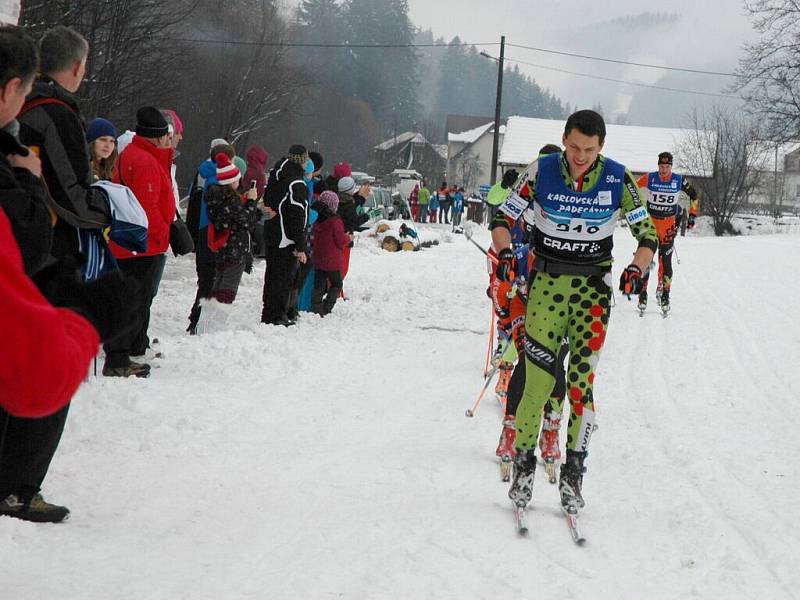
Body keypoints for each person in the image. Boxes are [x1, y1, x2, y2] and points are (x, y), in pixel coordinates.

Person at [490, 110, 658, 514]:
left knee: (581, 387)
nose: (581, 156)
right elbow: (502, 217)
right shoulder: (541, 170)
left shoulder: (618, 178)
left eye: (590, 149)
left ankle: (573, 478)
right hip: (546, 289)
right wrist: (506, 251)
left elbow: (647, 233)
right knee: (536, 385)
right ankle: (525, 471)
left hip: (592, 296)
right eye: (575, 146)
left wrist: (637, 266)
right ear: (564, 139)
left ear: (601, 147)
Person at [105, 106, 175, 376]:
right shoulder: (144, 160)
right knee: (133, 300)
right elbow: (148, 208)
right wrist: (164, 234)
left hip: (136, 243)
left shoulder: (139, 155)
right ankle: (119, 357)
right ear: (158, 137)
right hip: (142, 244)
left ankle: (132, 346)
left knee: (137, 298)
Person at [635, 151, 698, 312]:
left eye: (667, 167)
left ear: (671, 166)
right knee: (646, 261)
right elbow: (632, 188)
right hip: (650, 227)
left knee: (666, 262)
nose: (664, 170)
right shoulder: (650, 178)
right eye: (661, 167)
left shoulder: (678, 180)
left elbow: (694, 195)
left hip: (668, 228)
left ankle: (665, 294)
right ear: (658, 166)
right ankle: (643, 294)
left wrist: (692, 215)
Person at [204, 153, 262, 307]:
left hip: (224, 247)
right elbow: (246, 220)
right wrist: (251, 201)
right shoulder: (231, 200)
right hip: (235, 249)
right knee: (227, 288)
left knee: (219, 284)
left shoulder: (216, 197)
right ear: (231, 181)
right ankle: (214, 321)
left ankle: (207, 319)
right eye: (237, 178)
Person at [261, 145, 309, 326]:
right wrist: (300, 245)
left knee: (272, 275)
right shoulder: (296, 183)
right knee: (283, 278)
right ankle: (276, 315)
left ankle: (269, 312)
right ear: (302, 161)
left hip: (272, 233)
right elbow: (296, 215)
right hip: (286, 237)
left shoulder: (275, 177)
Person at [310, 190, 351, 315]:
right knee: (337, 283)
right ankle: (326, 308)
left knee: (319, 284)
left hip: (318, 256)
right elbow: (340, 240)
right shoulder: (335, 221)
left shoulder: (315, 218)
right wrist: (348, 238)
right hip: (332, 259)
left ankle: (315, 307)